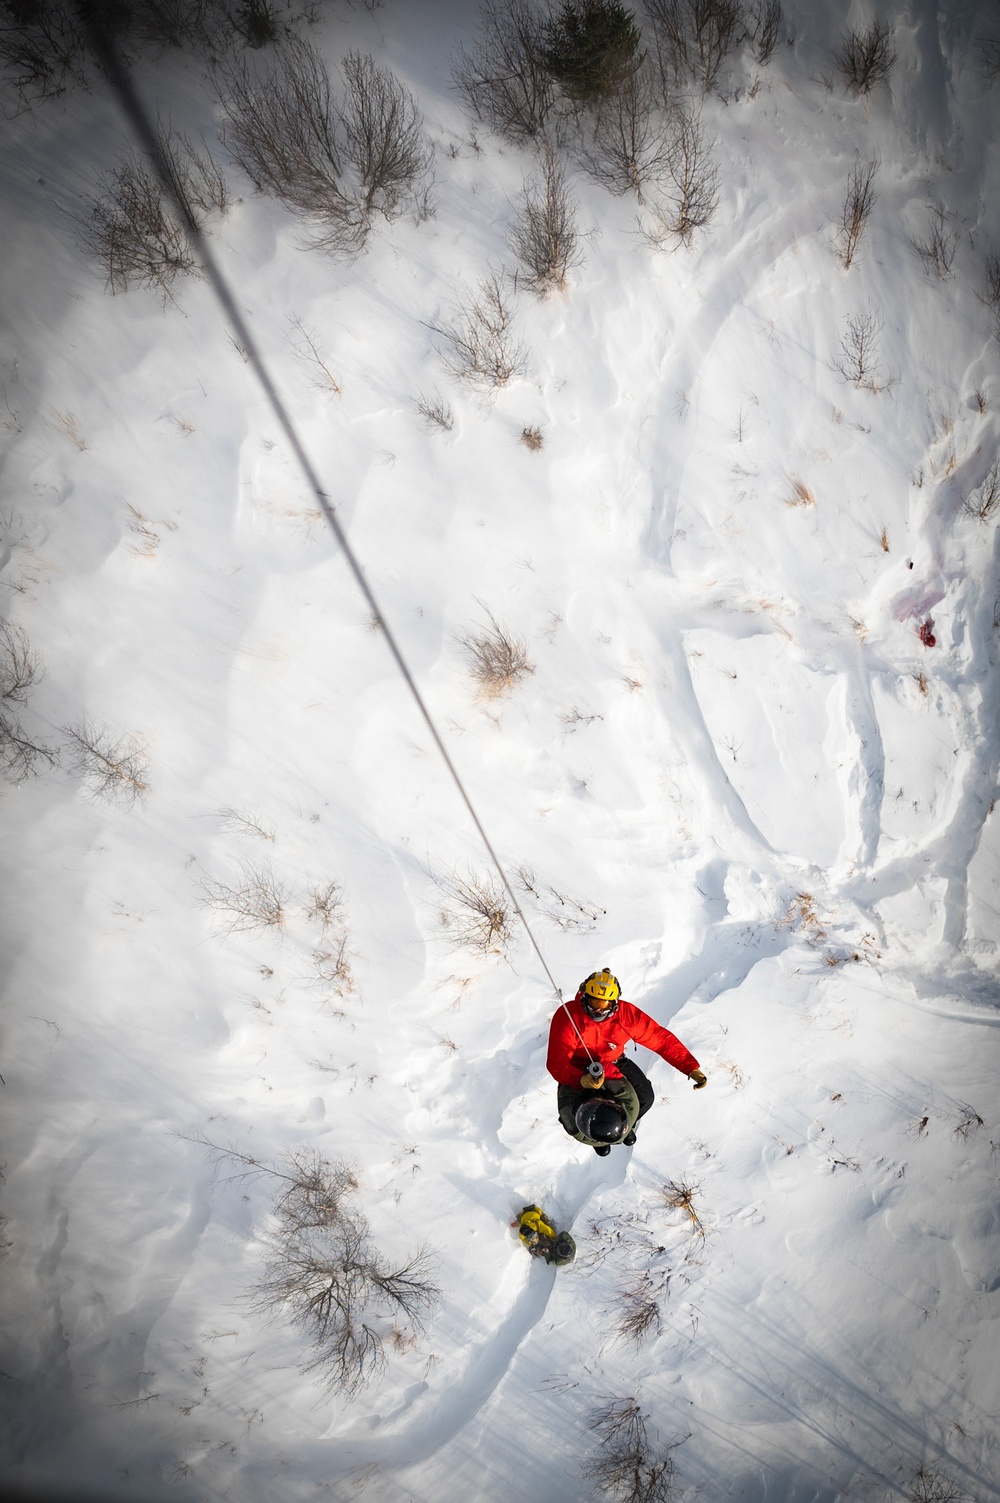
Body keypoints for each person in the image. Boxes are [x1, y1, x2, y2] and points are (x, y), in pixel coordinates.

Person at [547, 968, 707, 1156]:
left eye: (604, 1003)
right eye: (593, 1002)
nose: (598, 1009)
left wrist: (690, 1067)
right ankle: (597, 1139)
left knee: (645, 1098)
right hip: (577, 1069)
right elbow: (557, 1062)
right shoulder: (568, 1016)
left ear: (614, 1004)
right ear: (584, 998)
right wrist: (582, 1080)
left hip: (614, 1061)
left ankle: (621, 1124)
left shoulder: (625, 1016)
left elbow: (659, 1039)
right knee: (574, 1115)